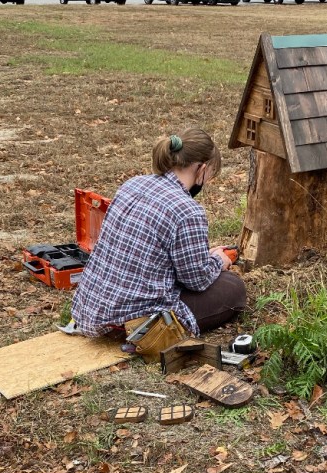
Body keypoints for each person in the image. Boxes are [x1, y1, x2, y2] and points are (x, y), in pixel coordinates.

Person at [71, 127, 247, 338]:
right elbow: (197, 281)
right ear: (201, 168)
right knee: (233, 288)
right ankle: (146, 331)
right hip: (131, 319)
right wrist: (218, 260)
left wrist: (204, 256)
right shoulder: (188, 210)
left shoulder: (132, 184)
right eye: (210, 174)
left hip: (91, 308)